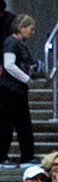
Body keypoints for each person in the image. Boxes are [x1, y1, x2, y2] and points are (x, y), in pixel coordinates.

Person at [0, 14, 36, 166]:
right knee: (7, 124)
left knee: (23, 124)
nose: (32, 32)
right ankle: (1, 157)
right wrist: (26, 78)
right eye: (31, 28)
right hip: (10, 90)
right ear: (22, 27)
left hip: (18, 90)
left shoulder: (18, 44)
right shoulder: (11, 43)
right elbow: (9, 65)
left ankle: (27, 156)